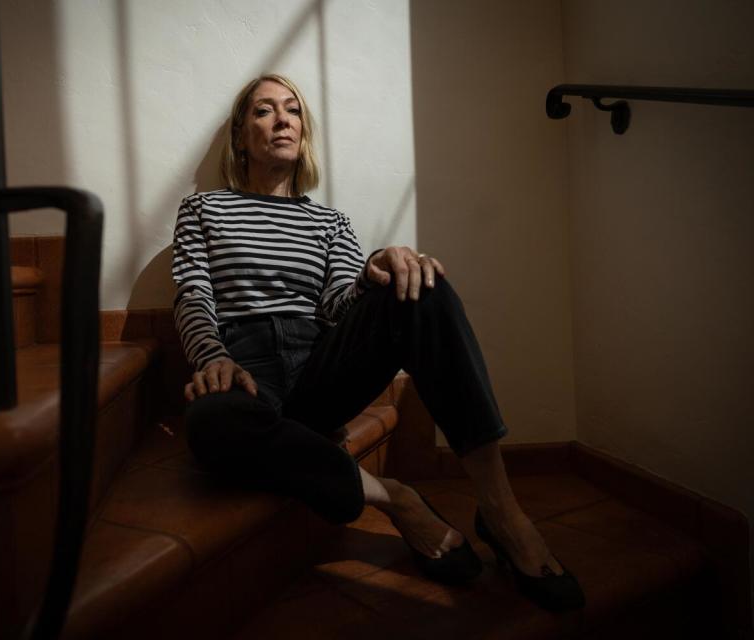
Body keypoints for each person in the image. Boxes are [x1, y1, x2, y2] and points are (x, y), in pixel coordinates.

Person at [171, 73, 584, 611]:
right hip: (247, 369)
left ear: (303, 131)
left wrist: (375, 271)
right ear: (240, 135)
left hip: (317, 363)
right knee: (209, 424)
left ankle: (501, 510)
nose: (282, 120)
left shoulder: (329, 222)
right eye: (264, 111)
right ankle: (396, 499)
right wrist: (213, 357)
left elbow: (339, 306)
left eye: (292, 110)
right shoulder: (205, 209)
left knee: (421, 282)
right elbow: (193, 296)